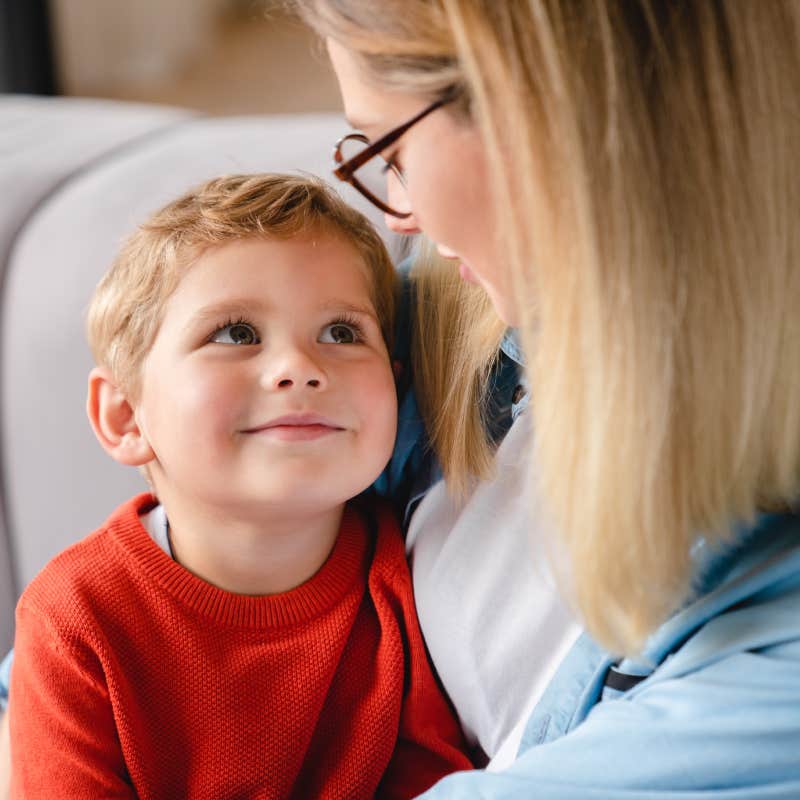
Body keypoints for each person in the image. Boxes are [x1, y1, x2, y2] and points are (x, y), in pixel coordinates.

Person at [284, 1, 800, 797]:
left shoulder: (773, 660)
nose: (404, 213)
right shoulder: (460, 320)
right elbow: (135, 603)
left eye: (392, 148)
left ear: (544, 121)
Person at [6, 173, 472, 798]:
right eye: (236, 334)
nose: (301, 369)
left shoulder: (411, 579)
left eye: (341, 333)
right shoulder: (75, 621)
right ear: (125, 415)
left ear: (395, 386)